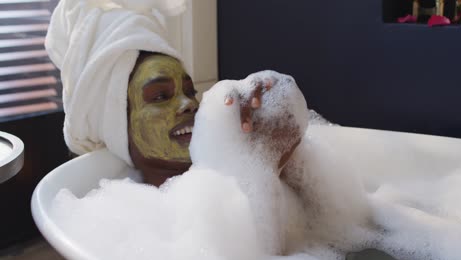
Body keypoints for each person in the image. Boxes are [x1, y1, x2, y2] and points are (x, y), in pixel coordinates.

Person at [45, 0, 285, 186]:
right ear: (115, 126)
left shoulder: (230, 181)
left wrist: (276, 150)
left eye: (190, 91)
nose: (190, 104)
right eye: (160, 96)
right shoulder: (112, 217)